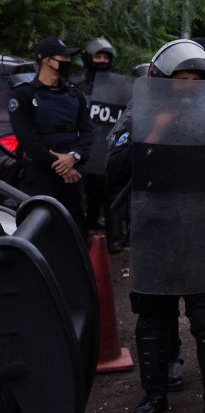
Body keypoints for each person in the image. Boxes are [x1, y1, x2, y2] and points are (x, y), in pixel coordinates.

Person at [107, 39, 205, 413]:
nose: (186, 86)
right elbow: (114, 171)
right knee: (152, 319)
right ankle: (155, 394)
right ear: (160, 80)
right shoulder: (138, 114)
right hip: (155, 232)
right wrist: (157, 125)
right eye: (178, 79)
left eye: (193, 79)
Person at [7, 37, 93, 240]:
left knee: (76, 237)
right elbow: (28, 141)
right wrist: (62, 166)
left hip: (73, 179)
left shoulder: (75, 95)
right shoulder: (23, 96)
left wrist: (75, 157)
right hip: (40, 178)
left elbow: (88, 133)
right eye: (63, 57)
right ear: (47, 60)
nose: (68, 61)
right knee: (40, 238)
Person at [80, 37, 129, 253]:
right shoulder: (77, 84)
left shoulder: (120, 87)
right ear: (88, 59)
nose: (102, 61)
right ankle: (85, 232)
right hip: (85, 151)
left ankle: (114, 239)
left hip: (109, 149)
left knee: (113, 197)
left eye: (105, 57)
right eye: (97, 56)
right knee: (86, 197)